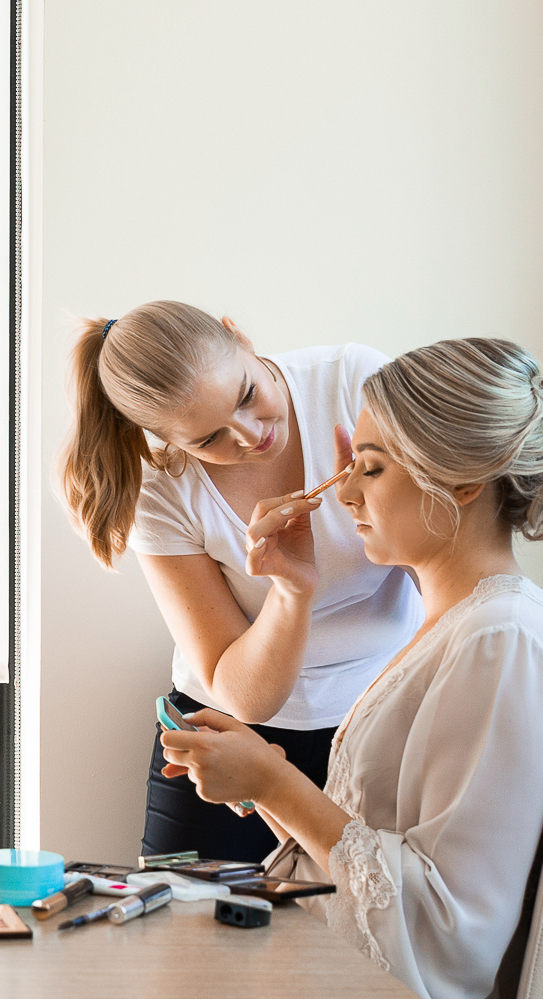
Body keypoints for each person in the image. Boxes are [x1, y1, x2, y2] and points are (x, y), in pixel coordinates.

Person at [155, 337, 543, 999]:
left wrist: (277, 787)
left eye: (369, 468)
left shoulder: (501, 645)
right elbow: (379, 858)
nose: (342, 493)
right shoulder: (461, 628)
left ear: (461, 481)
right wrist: (267, 774)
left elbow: (441, 937)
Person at [61, 301, 421, 862]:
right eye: (209, 440)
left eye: (247, 395)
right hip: (227, 737)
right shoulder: (161, 487)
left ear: (240, 338)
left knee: (360, 935)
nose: (252, 436)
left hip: (377, 723)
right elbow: (245, 696)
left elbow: (449, 551)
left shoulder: (355, 382)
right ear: (169, 444)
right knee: (179, 931)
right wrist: (292, 591)